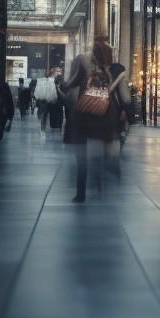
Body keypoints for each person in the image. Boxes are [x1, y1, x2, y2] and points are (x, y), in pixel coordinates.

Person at [60, 35, 130, 202]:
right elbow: (126, 99)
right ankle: (101, 177)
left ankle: (81, 192)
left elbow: (71, 88)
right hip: (106, 114)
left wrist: (64, 90)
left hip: (84, 114)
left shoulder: (82, 61)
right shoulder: (115, 70)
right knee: (100, 149)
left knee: (82, 155)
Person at [34, 69, 59, 134]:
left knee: (44, 114)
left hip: (43, 101)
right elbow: (54, 93)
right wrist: (55, 99)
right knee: (52, 114)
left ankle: (43, 127)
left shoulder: (42, 82)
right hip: (51, 101)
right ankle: (52, 127)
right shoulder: (52, 82)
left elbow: (38, 93)